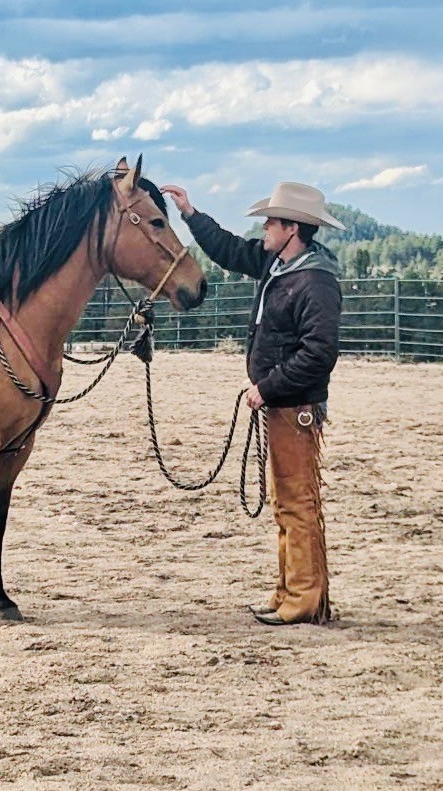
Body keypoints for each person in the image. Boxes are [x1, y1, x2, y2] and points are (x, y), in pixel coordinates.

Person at [161, 181, 344, 626]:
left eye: (271, 221)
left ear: (293, 228)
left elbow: (319, 353)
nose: (264, 228)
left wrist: (268, 387)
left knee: (297, 503)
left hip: (292, 407)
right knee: (288, 502)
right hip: (282, 405)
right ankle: (293, 592)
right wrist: (190, 213)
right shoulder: (277, 263)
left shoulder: (314, 282)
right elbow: (226, 248)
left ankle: (302, 599)